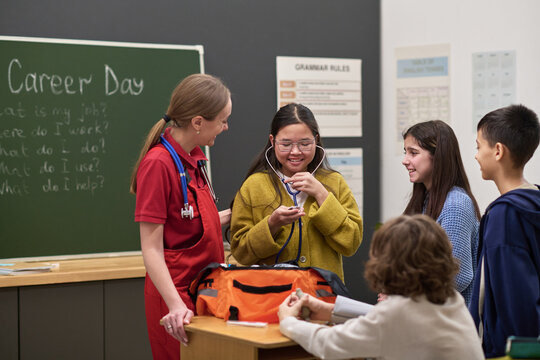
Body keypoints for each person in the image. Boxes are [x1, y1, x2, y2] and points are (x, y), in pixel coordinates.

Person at [278, 214, 484, 360]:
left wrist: (287, 321)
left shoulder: (397, 313)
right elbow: (385, 321)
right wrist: (331, 311)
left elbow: (327, 343)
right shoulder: (449, 299)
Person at [130, 73, 232, 359]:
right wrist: (176, 305)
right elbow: (151, 247)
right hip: (176, 300)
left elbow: (192, 224)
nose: (226, 127)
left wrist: (240, 214)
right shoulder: (158, 165)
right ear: (198, 122)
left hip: (205, 292)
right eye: (222, 120)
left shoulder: (194, 159)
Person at [229, 103, 362, 281]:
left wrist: (322, 195)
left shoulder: (334, 182)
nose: (295, 152)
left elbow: (351, 243)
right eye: (285, 144)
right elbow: (241, 253)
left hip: (323, 297)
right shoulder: (253, 186)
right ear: (272, 141)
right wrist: (271, 225)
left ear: (316, 140)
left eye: (305, 143)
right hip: (272, 298)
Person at [469, 104, 540, 358]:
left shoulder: (505, 215)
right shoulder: (534, 200)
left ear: (498, 151)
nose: (476, 155)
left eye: (479, 146)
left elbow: (516, 298)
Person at [401, 120, 480, 306]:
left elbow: (455, 278)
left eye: (413, 153)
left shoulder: (455, 205)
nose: (405, 160)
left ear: (438, 156)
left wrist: (403, 292)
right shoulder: (425, 199)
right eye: (406, 152)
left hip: (449, 324)